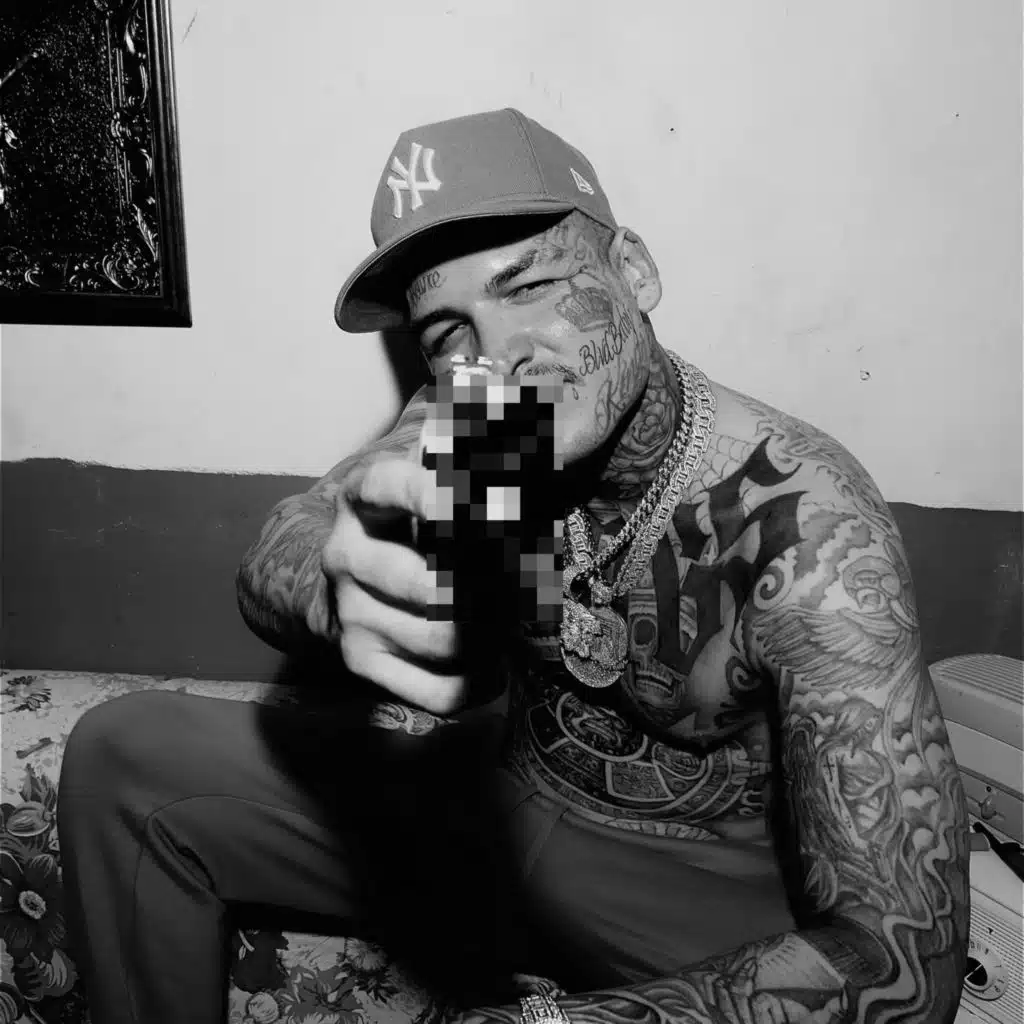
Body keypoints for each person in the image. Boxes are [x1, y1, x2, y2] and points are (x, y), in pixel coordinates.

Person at [58, 108, 970, 1024]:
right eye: (448, 332)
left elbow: (900, 965)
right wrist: (329, 588)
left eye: (528, 285)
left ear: (635, 271)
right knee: (127, 756)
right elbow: (293, 535)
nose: (496, 355)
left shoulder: (803, 523)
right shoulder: (475, 424)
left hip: (690, 914)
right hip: (497, 819)